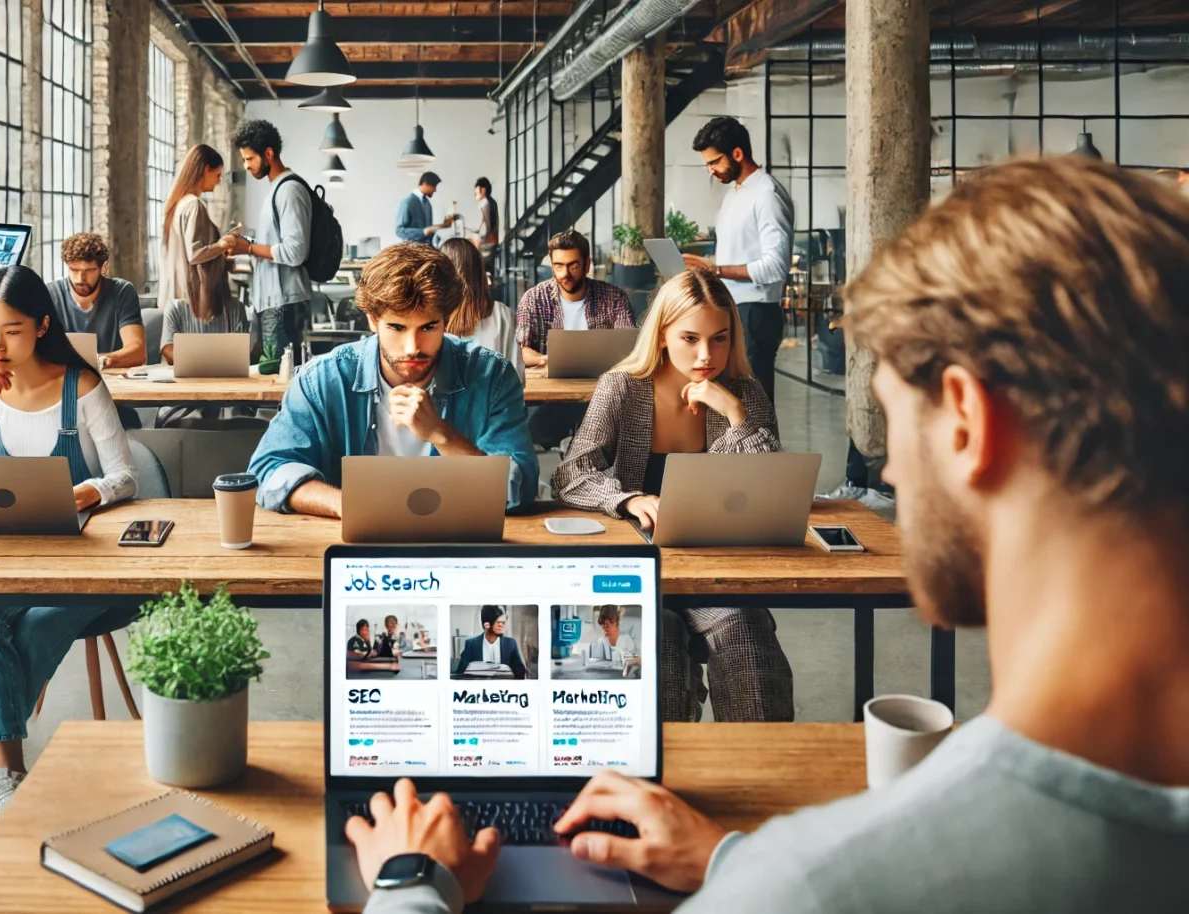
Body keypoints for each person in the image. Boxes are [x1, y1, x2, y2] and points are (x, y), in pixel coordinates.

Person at [351, 157, 1189, 914]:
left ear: (967, 420)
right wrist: (730, 858)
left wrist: (410, 887)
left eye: (894, 425)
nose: (890, 476)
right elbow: (580, 470)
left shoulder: (811, 885)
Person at [0, 265, 139, 834]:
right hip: (9, 557)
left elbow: (125, 477)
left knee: (37, 628)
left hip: (87, 563)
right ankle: (8, 778)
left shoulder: (83, 385)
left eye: (12, 330)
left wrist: (83, 492)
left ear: (43, 326)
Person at [552, 270, 793, 723]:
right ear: (662, 334)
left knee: (749, 642)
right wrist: (626, 500)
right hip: (643, 565)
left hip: (717, 566)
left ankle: (759, 772)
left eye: (720, 339)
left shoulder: (743, 391)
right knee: (655, 649)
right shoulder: (622, 387)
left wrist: (736, 416)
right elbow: (570, 473)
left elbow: (771, 482)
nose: (706, 355)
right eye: (690, 338)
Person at [247, 244, 537, 518]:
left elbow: (520, 487)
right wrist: (347, 504)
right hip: (351, 546)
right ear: (373, 320)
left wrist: (441, 434)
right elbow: (268, 471)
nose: (413, 346)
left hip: (457, 544)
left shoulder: (492, 376)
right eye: (397, 327)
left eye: (428, 327)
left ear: (445, 320)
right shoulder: (322, 379)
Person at [684, 116, 793, 404]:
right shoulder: (734, 194)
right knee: (732, 402)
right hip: (733, 308)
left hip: (756, 313)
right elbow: (738, 252)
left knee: (755, 405)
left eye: (715, 162)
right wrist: (704, 267)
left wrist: (716, 270)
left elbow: (776, 266)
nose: (711, 171)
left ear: (737, 154)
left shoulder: (767, 194)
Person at [221, 120, 311, 359]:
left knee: (278, 381)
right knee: (267, 375)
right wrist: (244, 244)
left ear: (268, 153)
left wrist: (248, 247)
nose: (246, 166)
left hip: (283, 305)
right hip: (271, 303)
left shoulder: (289, 191)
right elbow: (276, 243)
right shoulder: (276, 189)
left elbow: (295, 251)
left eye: (250, 159)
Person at [159, 143, 245, 367]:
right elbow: (195, 254)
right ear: (205, 169)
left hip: (176, 294)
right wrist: (222, 244)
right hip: (191, 296)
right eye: (217, 175)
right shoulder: (194, 205)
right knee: (201, 366)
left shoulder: (177, 205)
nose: (218, 182)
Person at [515, 229, 634, 370]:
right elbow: (520, 351)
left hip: (603, 381)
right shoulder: (533, 299)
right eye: (558, 266)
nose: (565, 274)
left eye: (573, 266)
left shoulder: (614, 298)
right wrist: (549, 360)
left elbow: (628, 346)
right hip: (549, 384)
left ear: (587, 265)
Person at [45, 233, 146, 373]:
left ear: (103, 268)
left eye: (90, 270)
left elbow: (138, 352)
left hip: (111, 380)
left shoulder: (121, 291)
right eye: (74, 270)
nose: (81, 278)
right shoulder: (51, 293)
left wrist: (102, 360)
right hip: (63, 378)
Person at [440, 238, 523, 382]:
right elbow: (517, 378)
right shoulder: (502, 314)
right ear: (480, 272)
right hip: (498, 403)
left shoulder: (434, 319)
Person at [454, 606, 528, 679]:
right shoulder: (471, 644)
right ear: (487, 625)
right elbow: (460, 674)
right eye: (498, 622)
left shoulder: (510, 644)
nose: (502, 626)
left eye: (503, 623)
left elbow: (520, 673)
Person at [395, 172, 453, 246]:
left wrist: (442, 226)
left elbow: (427, 232)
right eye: (434, 186)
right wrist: (423, 232)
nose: (435, 190)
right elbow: (399, 231)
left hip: (427, 250)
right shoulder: (407, 202)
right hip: (412, 251)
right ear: (425, 184)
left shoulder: (427, 204)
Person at [474, 177, 499, 248]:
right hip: (493, 240)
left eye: (476, 193)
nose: (475, 195)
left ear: (483, 190)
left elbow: (487, 226)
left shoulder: (484, 203)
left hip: (487, 241)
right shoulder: (492, 201)